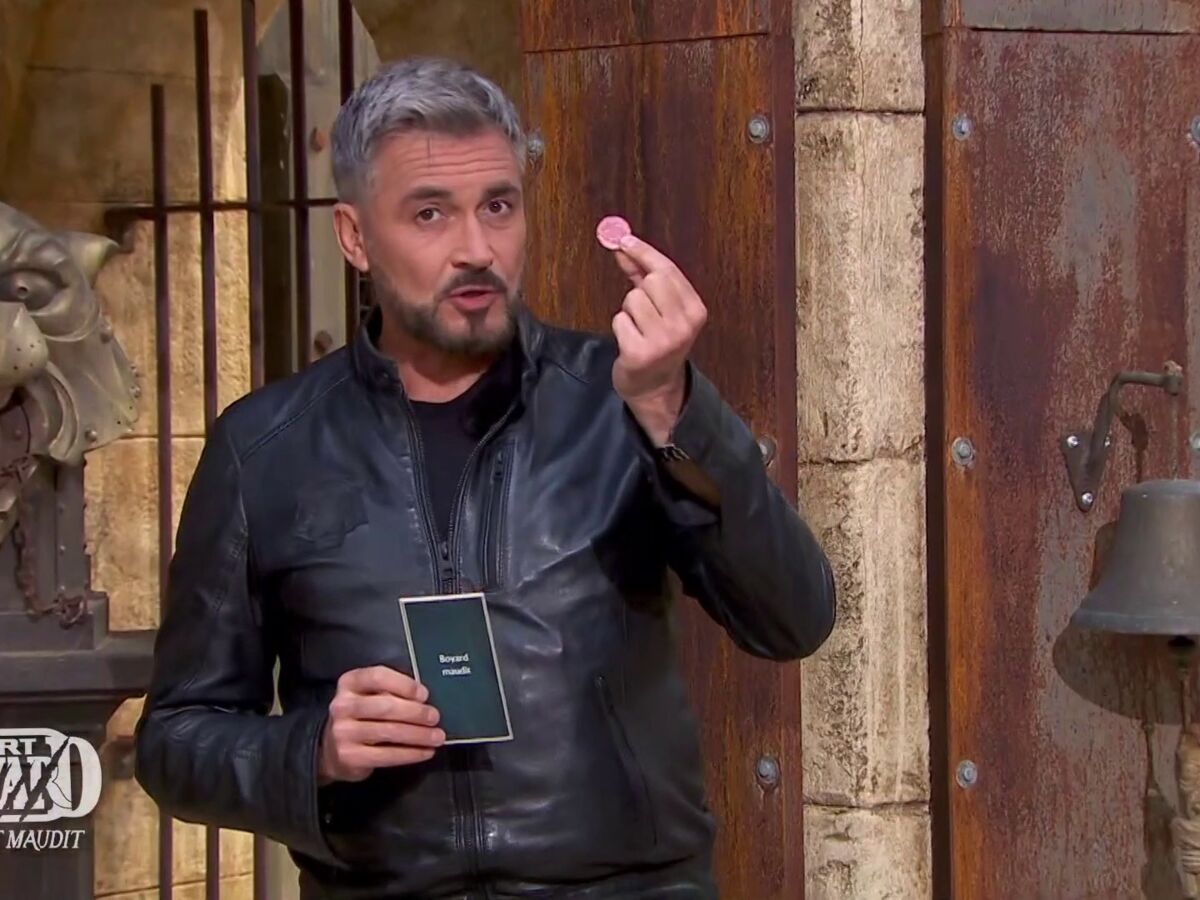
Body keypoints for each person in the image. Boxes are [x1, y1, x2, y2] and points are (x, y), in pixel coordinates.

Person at [134, 57, 836, 899]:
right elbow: (175, 741)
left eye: (498, 206)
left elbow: (794, 618)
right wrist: (308, 749)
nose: (477, 249)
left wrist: (675, 412)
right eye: (430, 213)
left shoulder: (619, 402)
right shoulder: (264, 449)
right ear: (355, 237)